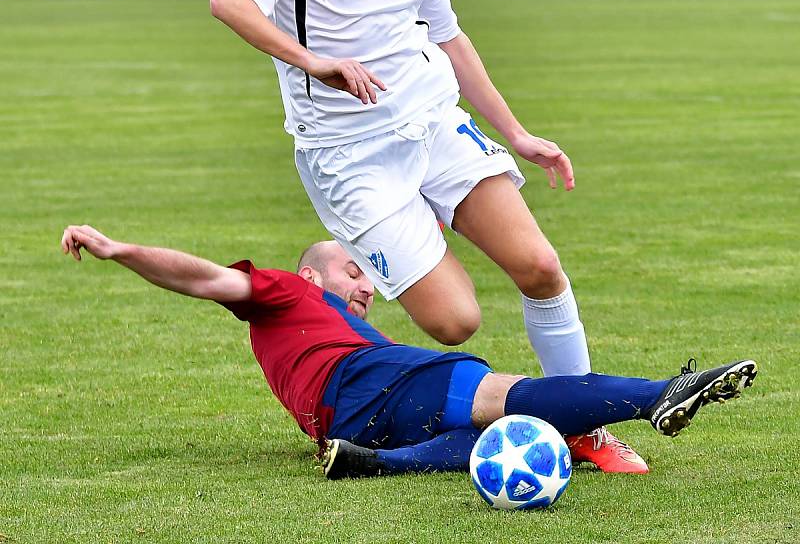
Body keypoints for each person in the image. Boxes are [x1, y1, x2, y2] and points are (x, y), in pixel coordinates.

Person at [209, 0, 639, 472]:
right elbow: (230, 0)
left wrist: (517, 133)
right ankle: (419, 226)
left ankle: (583, 427)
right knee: (454, 321)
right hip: (347, 153)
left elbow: (449, 36)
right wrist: (313, 61)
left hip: (432, 120)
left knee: (539, 266)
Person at [60, 223, 758, 480]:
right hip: (368, 381)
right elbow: (205, 276)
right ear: (311, 276)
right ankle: (659, 393)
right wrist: (120, 250)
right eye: (353, 272)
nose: (365, 285)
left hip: (349, 420)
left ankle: (376, 466)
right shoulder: (287, 293)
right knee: (500, 392)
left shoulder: (349, 330)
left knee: (506, 433)